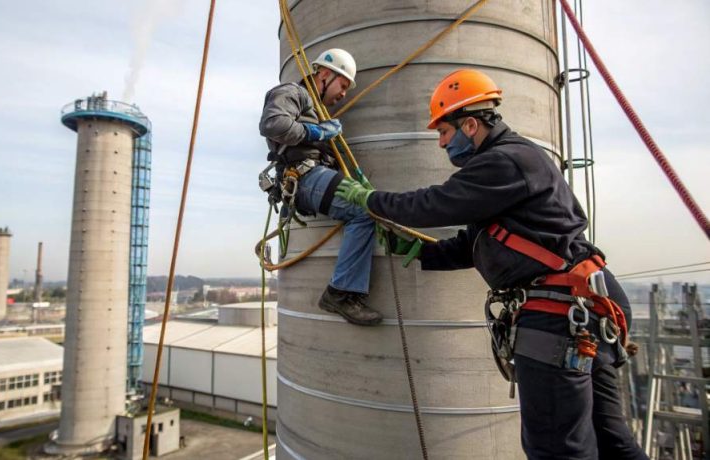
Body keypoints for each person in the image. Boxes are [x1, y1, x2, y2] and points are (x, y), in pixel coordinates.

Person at [335, 69, 647, 459]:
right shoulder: (509, 165)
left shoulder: (505, 161)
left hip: (561, 313)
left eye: (444, 133)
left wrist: (369, 199)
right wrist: (422, 252)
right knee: (609, 438)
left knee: (557, 448)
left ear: (470, 124)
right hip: (585, 304)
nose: (441, 144)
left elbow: (434, 203)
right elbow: (477, 243)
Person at [259, 48, 382, 326]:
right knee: (364, 210)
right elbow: (272, 123)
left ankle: (342, 292)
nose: (343, 95)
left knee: (366, 204)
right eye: (343, 85)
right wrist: (314, 132)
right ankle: (339, 294)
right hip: (302, 177)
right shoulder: (294, 92)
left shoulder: (316, 109)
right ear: (325, 74)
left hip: (312, 175)